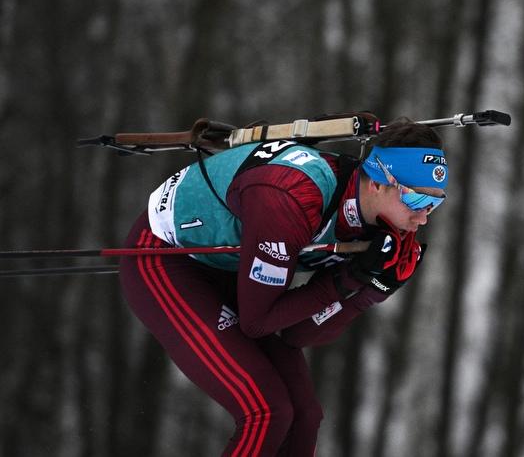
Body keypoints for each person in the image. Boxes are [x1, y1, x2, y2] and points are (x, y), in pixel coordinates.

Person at [118, 119, 448, 456]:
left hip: (229, 268)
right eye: (417, 201)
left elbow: (296, 335)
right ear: (379, 182)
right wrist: (348, 280)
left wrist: (373, 288)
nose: (423, 218)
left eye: (434, 204)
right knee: (266, 411)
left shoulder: (373, 225)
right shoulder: (294, 198)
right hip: (165, 257)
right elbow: (258, 322)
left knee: (304, 417)